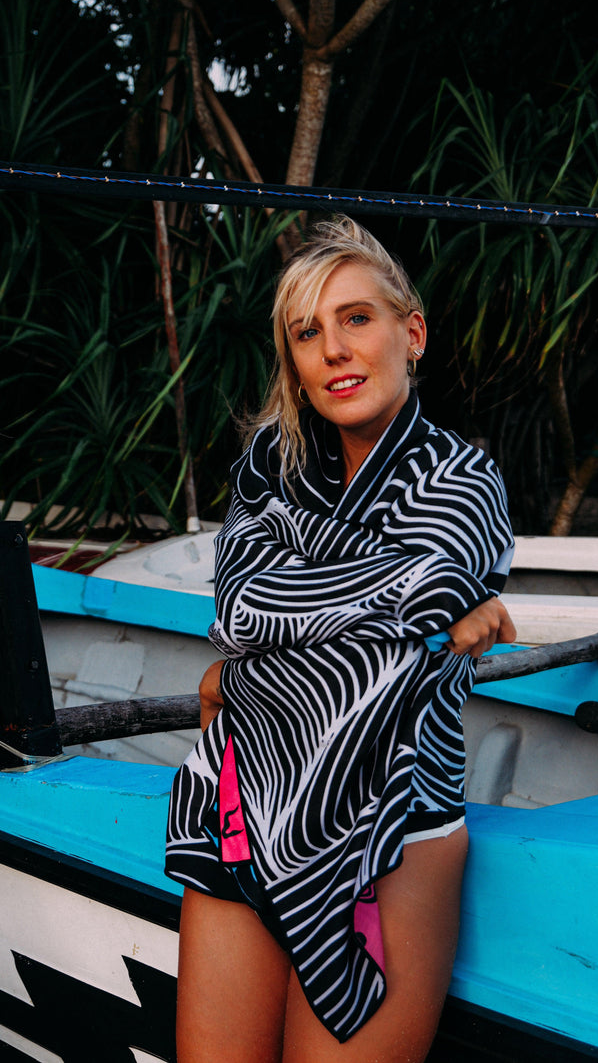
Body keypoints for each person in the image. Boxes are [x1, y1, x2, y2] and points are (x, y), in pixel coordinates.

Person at [165, 216, 516, 1063]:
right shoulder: (270, 465)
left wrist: (243, 676)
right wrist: (424, 599)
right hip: (244, 812)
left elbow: (407, 607)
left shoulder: (463, 479)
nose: (333, 348)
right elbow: (244, 606)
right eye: (307, 331)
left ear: (412, 331)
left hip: (391, 838)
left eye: (356, 317)